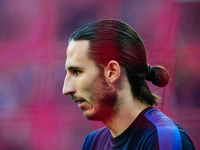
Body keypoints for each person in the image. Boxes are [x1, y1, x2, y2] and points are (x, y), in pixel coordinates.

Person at [62, 19, 195, 150]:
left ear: (112, 72)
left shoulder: (163, 138)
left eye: (77, 72)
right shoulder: (93, 142)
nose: (66, 89)